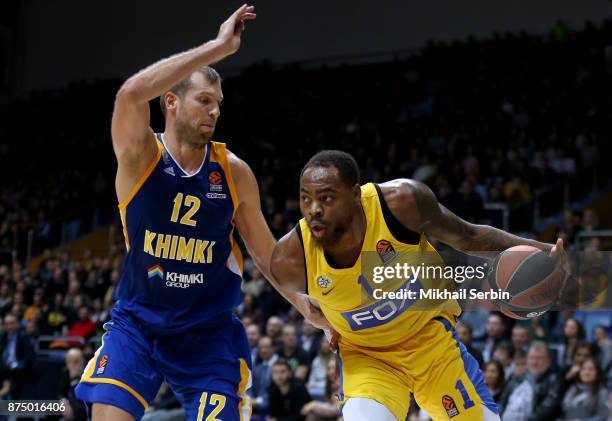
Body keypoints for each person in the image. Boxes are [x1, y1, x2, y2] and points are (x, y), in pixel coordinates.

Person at [75, 6, 324, 420]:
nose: (215, 111)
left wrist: (298, 301)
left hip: (208, 334)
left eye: (219, 104)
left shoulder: (234, 172)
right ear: (170, 101)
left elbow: (265, 255)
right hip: (139, 325)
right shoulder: (140, 156)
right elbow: (130, 95)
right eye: (204, 100)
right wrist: (217, 48)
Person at [270, 150, 568, 421]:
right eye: (305, 198)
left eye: (326, 198)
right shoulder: (292, 258)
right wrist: (312, 315)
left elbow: (469, 236)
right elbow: (270, 267)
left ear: (355, 195)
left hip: (430, 341)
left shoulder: (402, 204)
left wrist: (542, 251)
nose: (314, 210)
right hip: (367, 357)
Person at [501, 341, 563, 421]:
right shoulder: (518, 378)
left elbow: (548, 408)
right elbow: (502, 402)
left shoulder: (554, 380)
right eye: (531, 358)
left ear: (548, 361)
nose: (534, 362)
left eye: (539, 358)